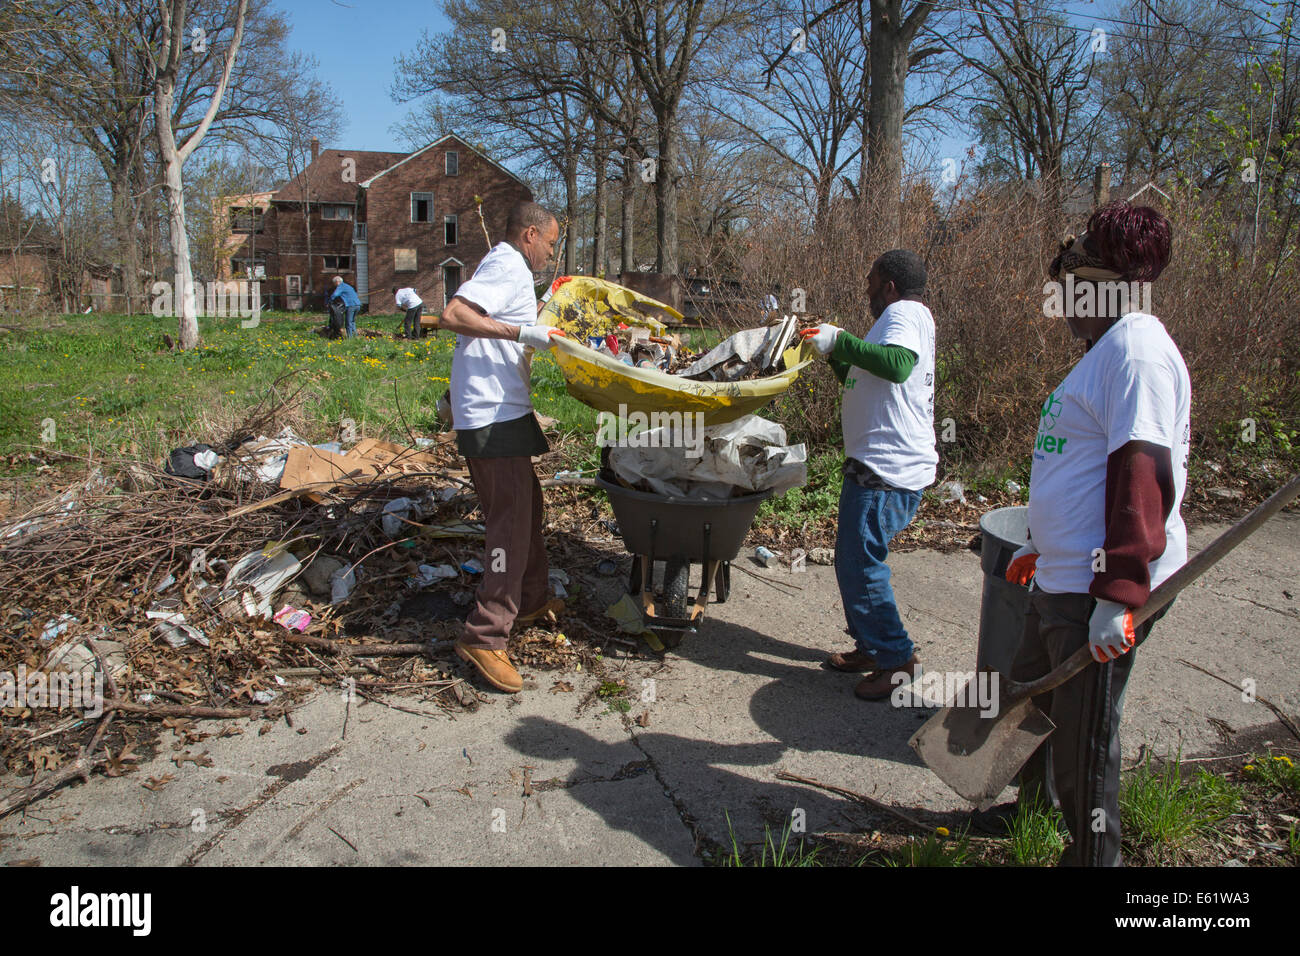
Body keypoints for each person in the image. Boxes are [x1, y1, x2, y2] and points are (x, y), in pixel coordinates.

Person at [989, 201, 1187, 866]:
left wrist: (1119, 592)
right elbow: (1080, 465)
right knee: (1027, 702)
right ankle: (1026, 820)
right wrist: (1042, 543)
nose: (1062, 305)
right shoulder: (1104, 350)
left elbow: (1141, 474)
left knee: (1083, 741)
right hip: (1064, 573)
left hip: (1095, 591)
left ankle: (1094, 856)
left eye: (1070, 289)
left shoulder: (1135, 351)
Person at [438, 201, 566, 694]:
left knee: (526, 507)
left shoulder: (513, 270)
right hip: (491, 416)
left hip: (502, 411)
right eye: (551, 244)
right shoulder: (506, 264)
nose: (551, 254)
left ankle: (530, 598)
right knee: (506, 529)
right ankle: (486, 634)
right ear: (530, 234)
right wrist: (520, 331)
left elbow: (482, 341)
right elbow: (454, 314)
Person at [799, 249, 938, 700]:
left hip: (887, 469)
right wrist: (833, 353)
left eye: (871, 281)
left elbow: (897, 368)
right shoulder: (900, 321)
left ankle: (897, 659)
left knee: (862, 565)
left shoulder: (902, 314)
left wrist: (841, 340)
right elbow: (863, 377)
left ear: (890, 287)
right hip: (876, 465)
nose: (866, 290)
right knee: (851, 561)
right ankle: (873, 646)